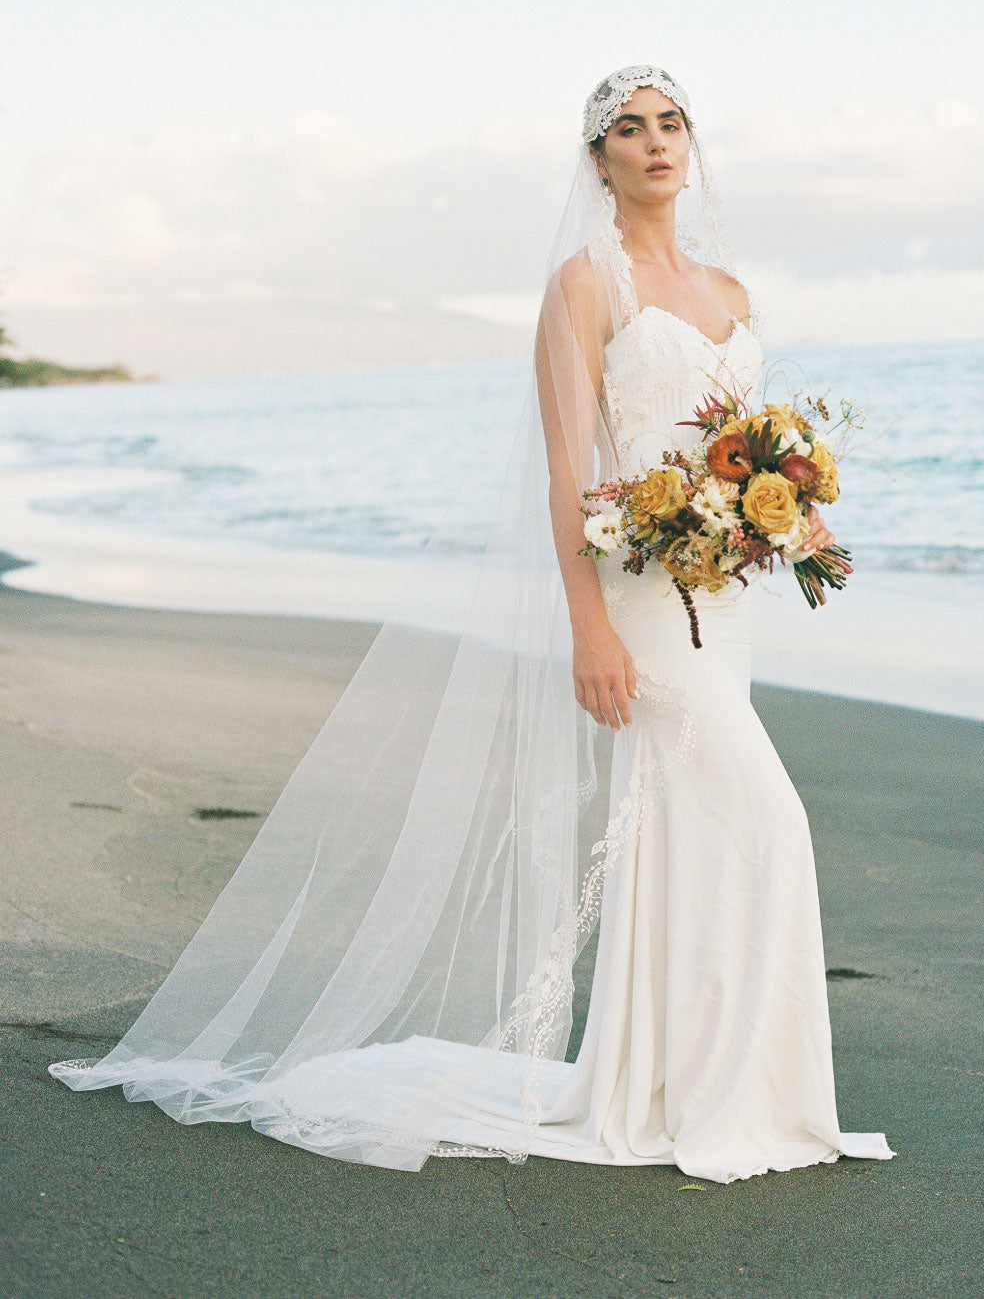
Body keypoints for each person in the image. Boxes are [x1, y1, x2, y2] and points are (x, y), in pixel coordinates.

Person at [51, 65, 893, 1184]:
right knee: (768, 820)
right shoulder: (584, 283)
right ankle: (716, 1091)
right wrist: (589, 627)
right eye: (628, 129)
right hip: (642, 600)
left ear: (693, 143)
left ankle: (702, 1089)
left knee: (701, 829)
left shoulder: (732, 287)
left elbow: (735, 447)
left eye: (671, 122)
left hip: (723, 601)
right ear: (597, 160)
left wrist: (788, 514)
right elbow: (567, 476)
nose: (654, 142)